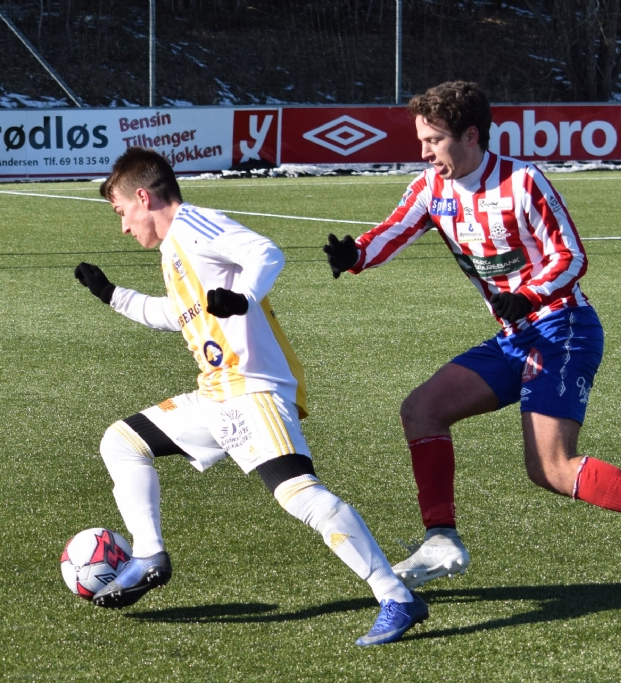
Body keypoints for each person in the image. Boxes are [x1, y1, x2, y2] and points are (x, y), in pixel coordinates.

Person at [323, 81, 621, 606]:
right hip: (515, 337)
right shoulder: (430, 187)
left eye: (434, 140)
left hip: (562, 328)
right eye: (422, 140)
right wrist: (355, 255)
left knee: (551, 467)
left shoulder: (523, 181)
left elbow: (571, 257)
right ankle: (441, 539)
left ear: (470, 135)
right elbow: (391, 232)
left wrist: (529, 295)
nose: (424, 152)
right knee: (422, 410)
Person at [73, 147, 428, 646]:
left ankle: (396, 596)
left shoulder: (194, 225)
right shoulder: (174, 250)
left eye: (121, 211)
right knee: (122, 441)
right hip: (216, 395)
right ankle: (150, 556)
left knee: (300, 494)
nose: (123, 227)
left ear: (143, 197)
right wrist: (112, 294)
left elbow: (267, 253)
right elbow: (176, 315)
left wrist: (243, 298)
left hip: (252, 389)